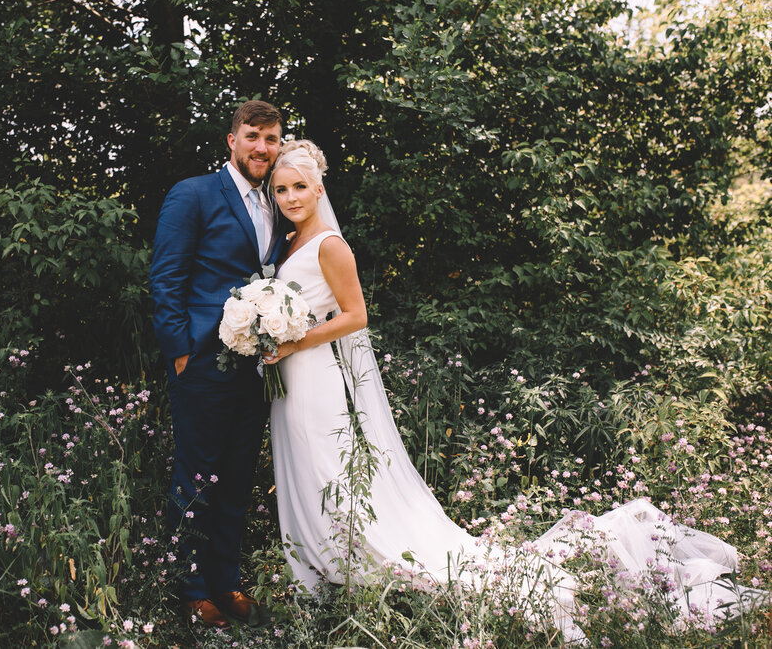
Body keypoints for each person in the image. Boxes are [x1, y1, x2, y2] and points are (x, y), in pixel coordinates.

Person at [263, 139, 767, 644]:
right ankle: (317, 572)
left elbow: (356, 315)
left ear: (319, 187)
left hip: (314, 373)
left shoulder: (330, 243)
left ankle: (344, 569)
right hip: (291, 375)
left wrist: (291, 341)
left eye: (300, 187)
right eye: (281, 189)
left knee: (327, 467)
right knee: (303, 469)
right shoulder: (286, 243)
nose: (290, 197)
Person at [150, 100, 288, 627]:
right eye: (252, 135)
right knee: (196, 478)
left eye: (271, 138)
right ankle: (189, 590)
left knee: (235, 479)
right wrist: (181, 353)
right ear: (232, 140)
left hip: (257, 367)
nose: (261, 147)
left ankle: (225, 582)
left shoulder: (279, 200)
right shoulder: (194, 194)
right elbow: (166, 279)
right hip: (204, 362)